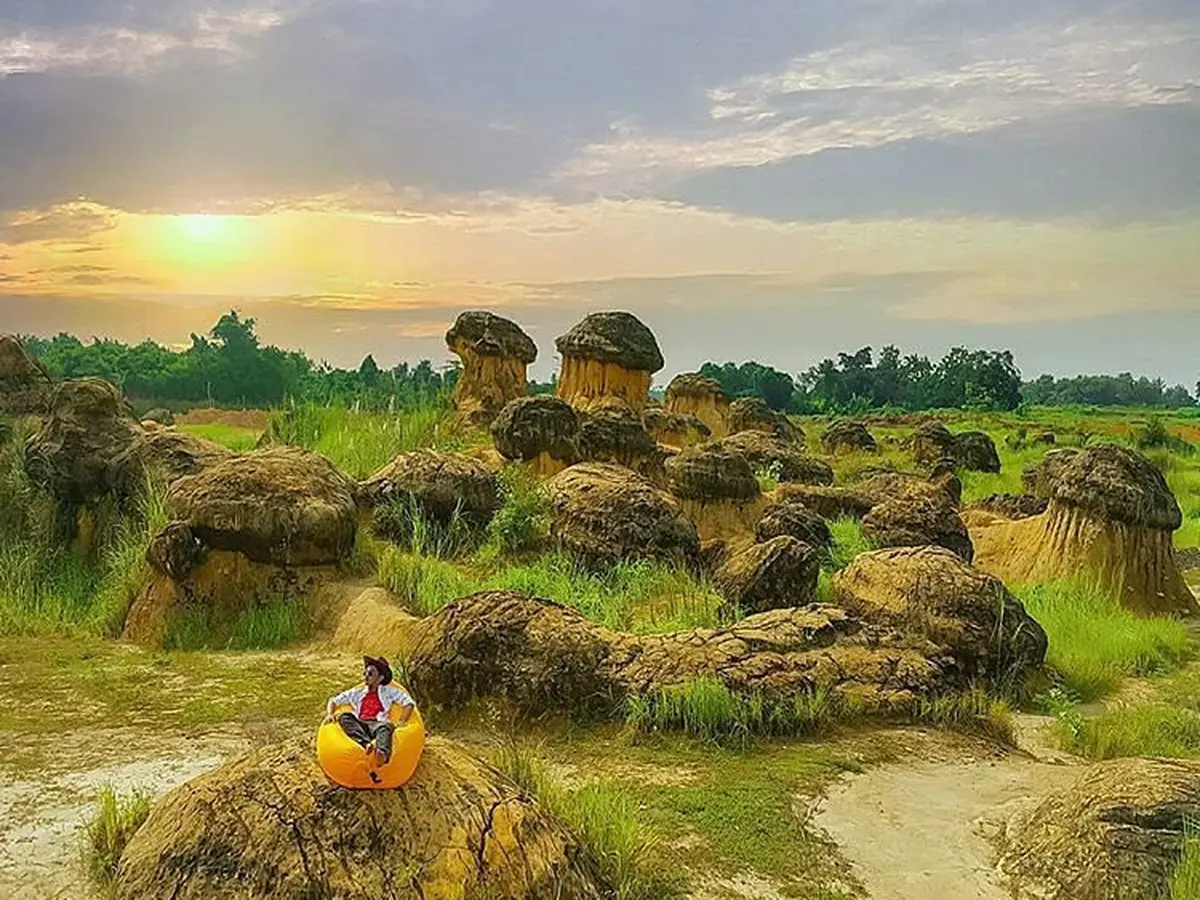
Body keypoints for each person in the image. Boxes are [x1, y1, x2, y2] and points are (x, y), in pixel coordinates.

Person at [325, 656, 415, 775]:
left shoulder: (388, 691)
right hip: (360, 724)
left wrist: (402, 721)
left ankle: (381, 755)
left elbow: (408, 702)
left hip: (377, 724)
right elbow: (333, 700)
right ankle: (366, 744)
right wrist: (330, 714)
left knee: (386, 727)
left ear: (380, 677)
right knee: (345, 716)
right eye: (365, 673)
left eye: (371, 673)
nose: (366, 676)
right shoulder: (357, 692)